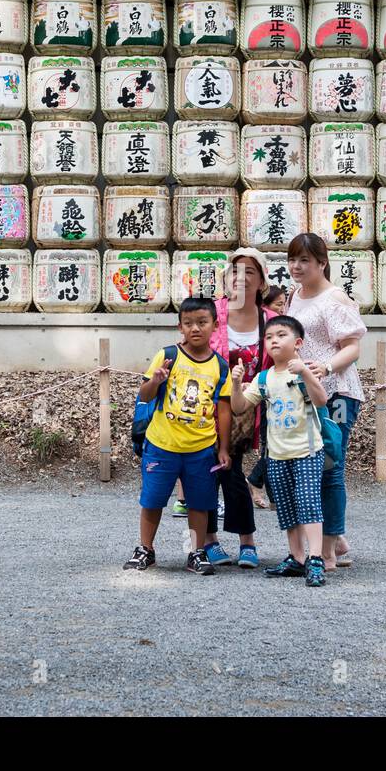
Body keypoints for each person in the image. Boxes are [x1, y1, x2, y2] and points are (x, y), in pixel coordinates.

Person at [124, 297, 232, 575]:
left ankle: (194, 552)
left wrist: (223, 448)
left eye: (202, 322)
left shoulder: (220, 366)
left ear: (215, 326)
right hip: (162, 444)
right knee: (153, 499)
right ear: (180, 327)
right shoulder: (168, 355)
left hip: (201, 447)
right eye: (188, 323)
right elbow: (145, 395)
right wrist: (156, 380)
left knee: (198, 503)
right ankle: (145, 549)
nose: (195, 328)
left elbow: (223, 410)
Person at [285, 233, 366, 567]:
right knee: (307, 468)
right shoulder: (295, 295)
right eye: (292, 259)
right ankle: (335, 535)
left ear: (322, 262)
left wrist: (327, 365)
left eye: (304, 260)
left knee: (330, 469)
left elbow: (352, 346)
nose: (296, 266)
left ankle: (328, 549)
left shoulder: (335, 299)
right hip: (304, 395)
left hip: (337, 393)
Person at [230, 315, 329, 587]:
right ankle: (296, 558)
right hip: (276, 454)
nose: (274, 340)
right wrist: (237, 384)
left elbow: (321, 400)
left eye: (281, 335)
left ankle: (316, 558)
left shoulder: (305, 370)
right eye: (269, 337)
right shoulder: (264, 378)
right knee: (285, 506)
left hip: (308, 450)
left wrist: (306, 373)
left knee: (308, 503)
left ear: (298, 342)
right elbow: (239, 407)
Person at [203, 248, 276, 569]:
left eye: (250, 271)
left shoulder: (271, 320)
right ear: (224, 278)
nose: (241, 277)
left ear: (262, 281)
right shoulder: (211, 314)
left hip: (248, 412)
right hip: (204, 408)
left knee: (229, 471)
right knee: (209, 473)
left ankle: (238, 540)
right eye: (234, 270)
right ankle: (214, 540)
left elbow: (282, 361)